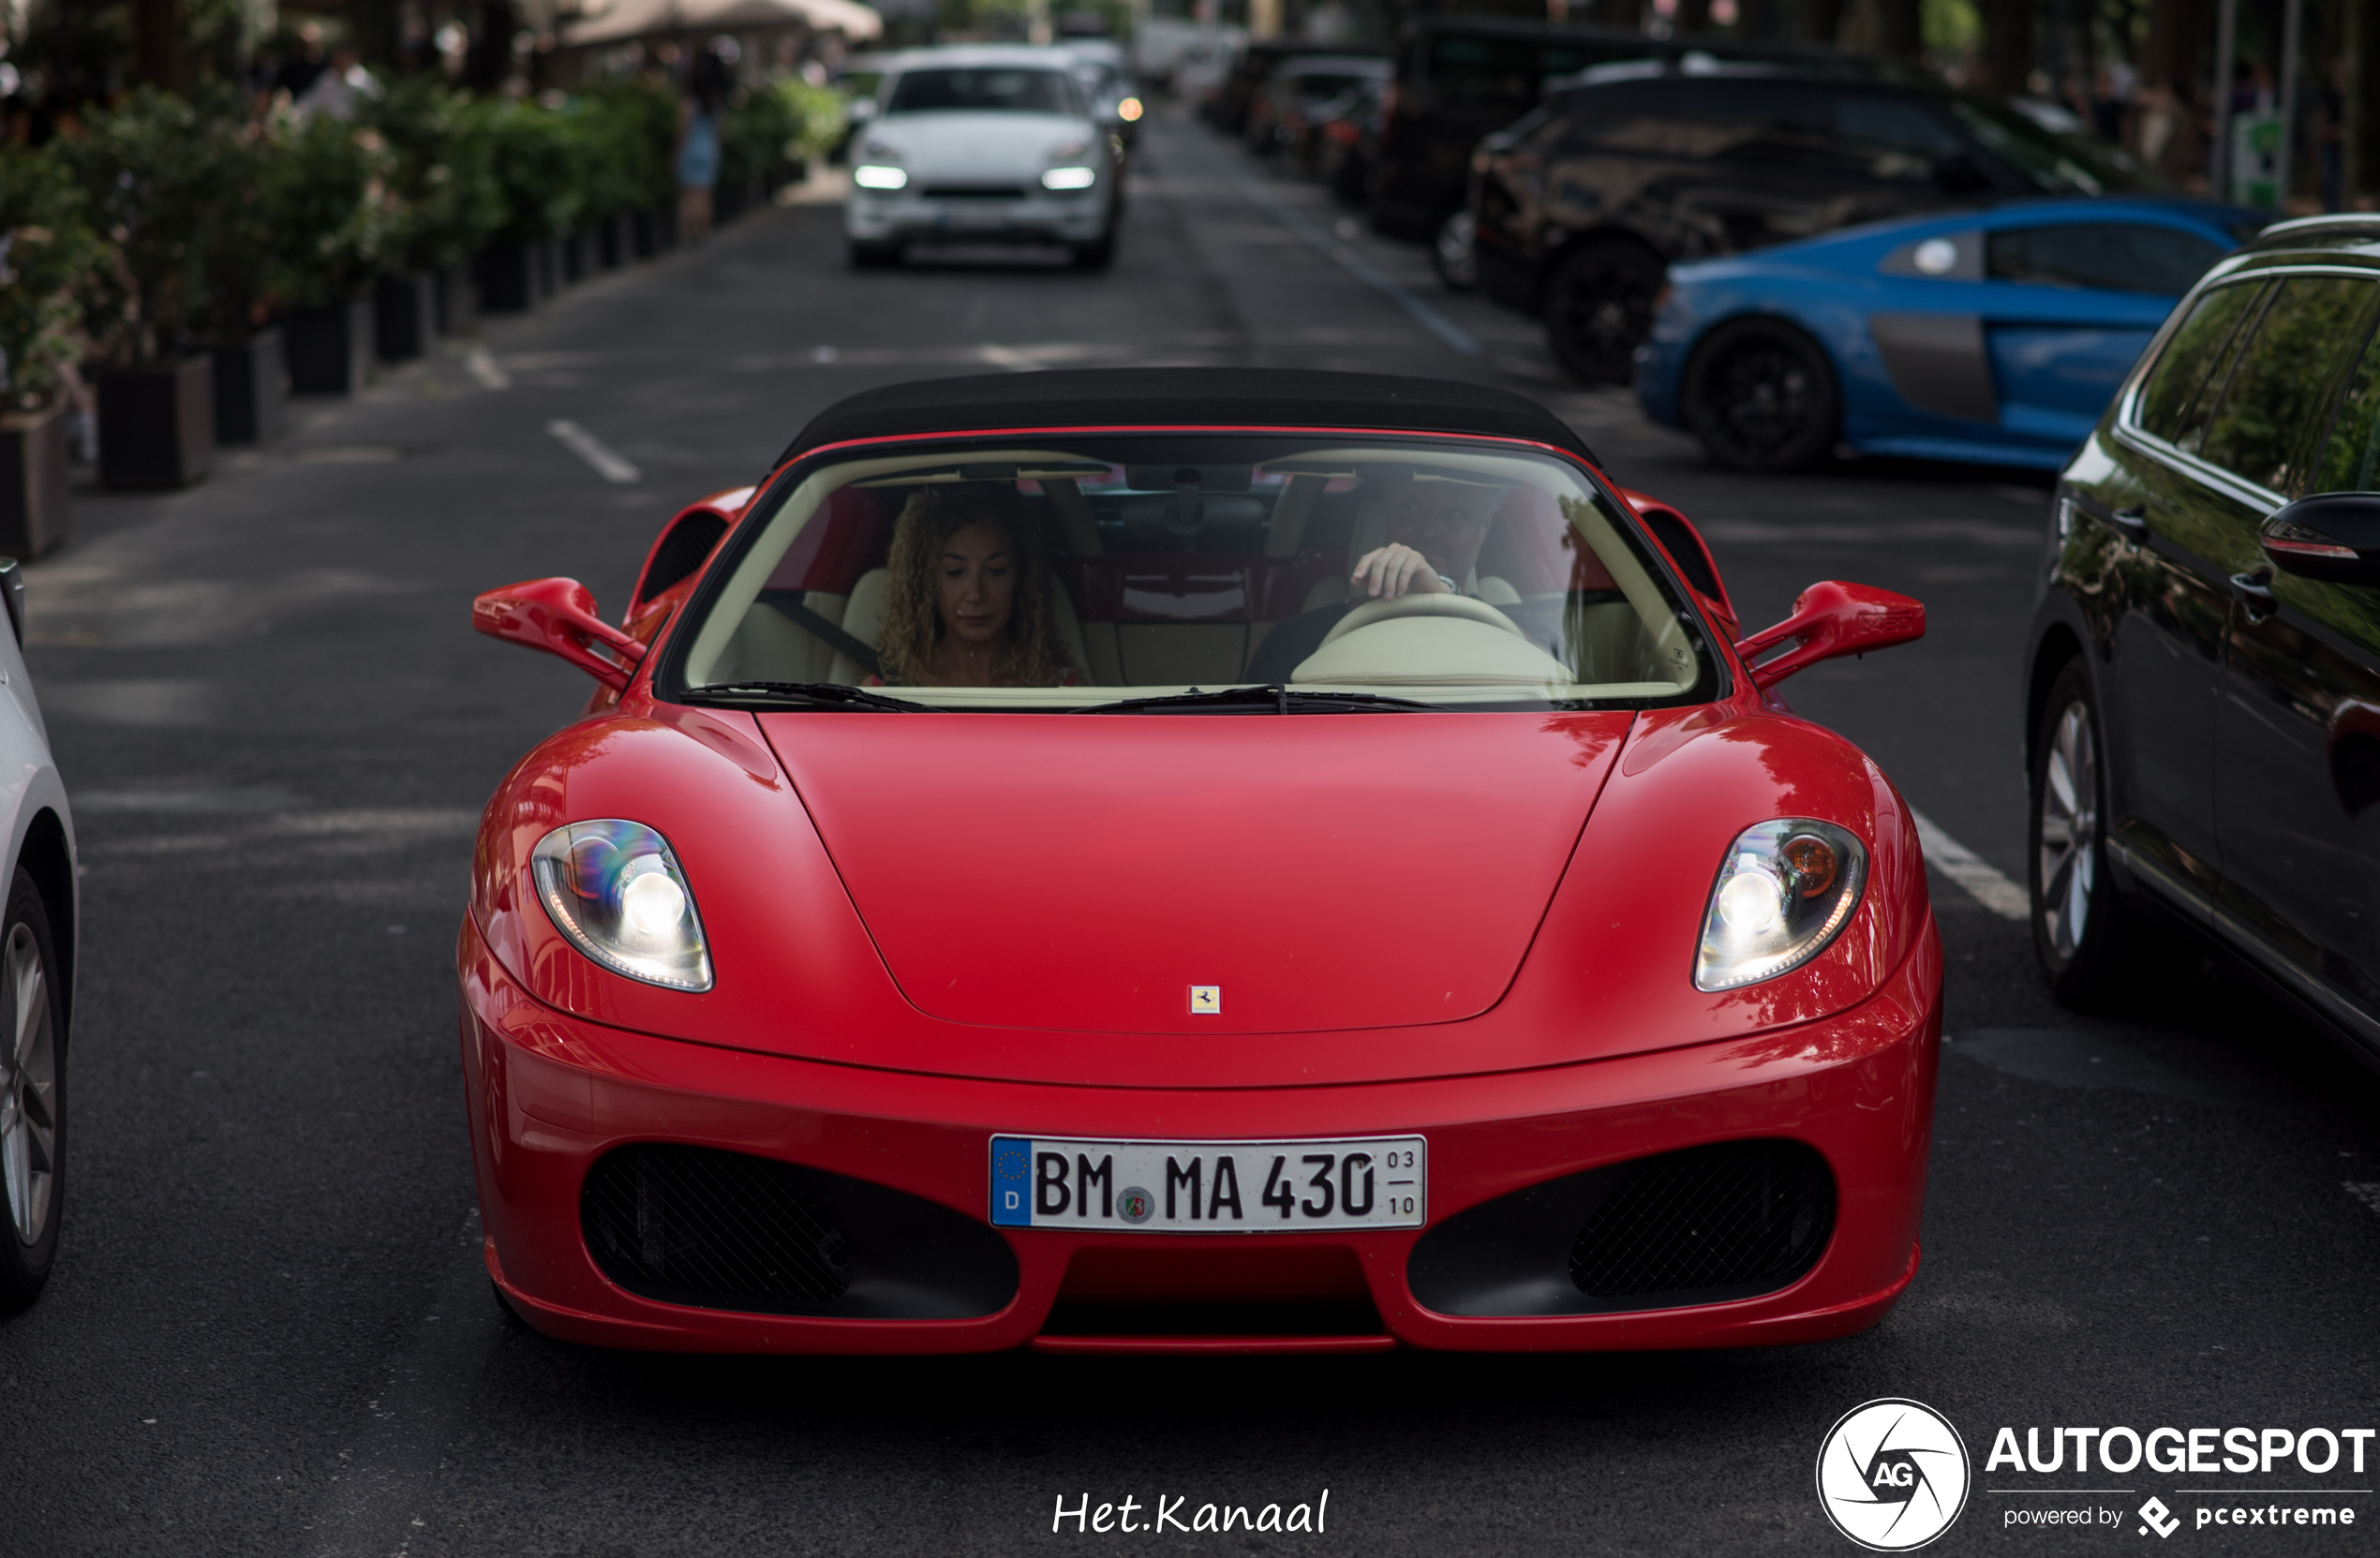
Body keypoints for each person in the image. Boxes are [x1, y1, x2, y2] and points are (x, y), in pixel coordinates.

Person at [1245, 473, 1529, 683]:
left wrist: (1440, 595)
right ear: (1387, 514)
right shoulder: (1295, 638)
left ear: (1485, 526)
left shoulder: (1522, 631)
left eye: (1454, 514)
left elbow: (1559, 693)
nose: (1429, 532)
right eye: (1411, 508)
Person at [872, 486, 1078, 688]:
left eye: (996, 571)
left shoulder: (1059, 689)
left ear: (1021, 578)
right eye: (955, 571)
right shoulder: (891, 686)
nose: (976, 594)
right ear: (927, 582)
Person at [677, 48, 731, 245]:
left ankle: (687, 236)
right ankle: (704, 233)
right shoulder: (715, 103)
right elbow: (720, 132)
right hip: (710, 150)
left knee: (689, 197)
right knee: (705, 196)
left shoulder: (689, 105)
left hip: (690, 151)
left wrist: (675, 154)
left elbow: (682, 133)